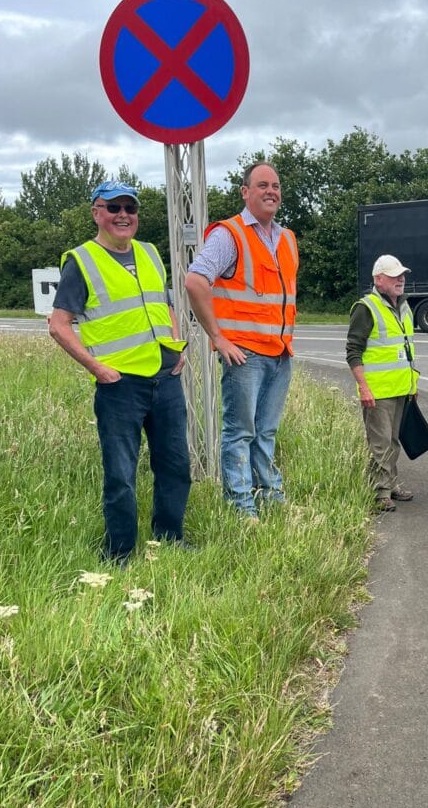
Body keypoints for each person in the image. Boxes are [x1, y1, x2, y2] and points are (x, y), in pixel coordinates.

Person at [49, 180, 191, 563]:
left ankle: (170, 538)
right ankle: (120, 554)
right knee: (120, 475)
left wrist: (176, 346)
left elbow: (165, 304)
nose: (123, 215)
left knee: (176, 464)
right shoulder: (82, 261)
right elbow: (59, 324)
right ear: (97, 213)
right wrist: (97, 368)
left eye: (130, 208)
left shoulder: (148, 253)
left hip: (166, 379)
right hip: (120, 386)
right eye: (113, 208)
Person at [184, 162, 298, 519]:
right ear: (245, 191)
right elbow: (195, 280)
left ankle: (269, 497)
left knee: (266, 431)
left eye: (276, 186)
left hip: (280, 352)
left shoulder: (286, 238)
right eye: (262, 184)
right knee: (240, 432)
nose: (271, 191)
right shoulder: (229, 234)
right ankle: (241, 509)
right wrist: (217, 337)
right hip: (244, 354)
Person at [346, 255, 418, 512]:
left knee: (394, 440)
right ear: (379, 279)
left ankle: (390, 483)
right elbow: (353, 351)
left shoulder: (404, 306)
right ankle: (380, 492)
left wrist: (412, 385)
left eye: (402, 275)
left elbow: (406, 349)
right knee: (380, 443)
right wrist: (364, 387)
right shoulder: (366, 308)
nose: (401, 279)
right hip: (377, 391)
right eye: (394, 275)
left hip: (401, 388)